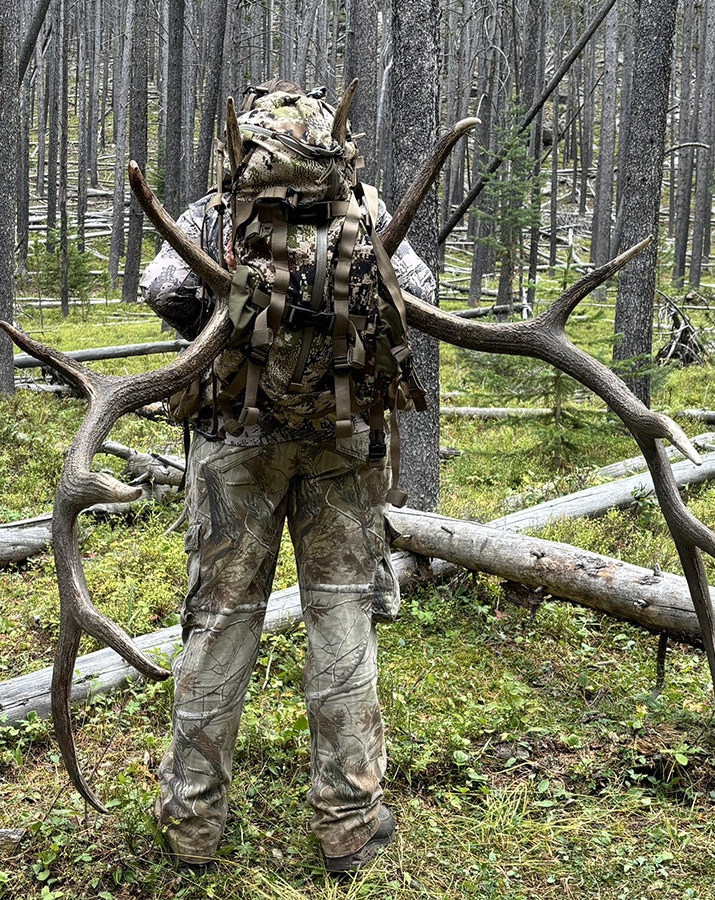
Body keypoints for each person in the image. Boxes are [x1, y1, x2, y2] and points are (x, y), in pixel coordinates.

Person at [139, 79, 436, 874]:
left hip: (234, 437)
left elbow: (161, 286)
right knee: (341, 618)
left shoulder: (216, 210)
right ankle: (349, 823)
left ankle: (192, 823)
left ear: (248, 145)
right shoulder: (363, 207)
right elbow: (424, 291)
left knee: (221, 621)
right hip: (342, 441)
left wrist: (228, 333)